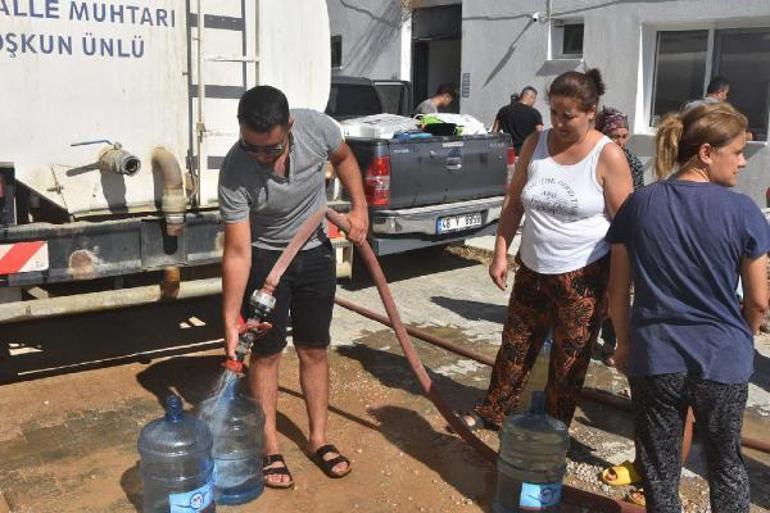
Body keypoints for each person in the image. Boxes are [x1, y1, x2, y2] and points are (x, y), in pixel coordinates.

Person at [607, 102, 769, 513]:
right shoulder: (744, 211)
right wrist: (745, 334)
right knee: (726, 465)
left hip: (656, 355)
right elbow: (760, 300)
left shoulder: (639, 205)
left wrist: (623, 341)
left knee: (660, 471)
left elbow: (617, 289)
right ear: (706, 153)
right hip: (721, 360)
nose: (742, 163)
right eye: (737, 153)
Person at [458, 68, 633, 431]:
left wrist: (620, 290)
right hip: (533, 268)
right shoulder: (534, 145)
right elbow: (514, 202)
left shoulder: (608, 156)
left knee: (569, 363)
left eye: (567, 115)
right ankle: (494, 410)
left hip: (584, 276)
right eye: (554, 112)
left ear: (590, 111)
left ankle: (554, 430)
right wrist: (500, 251)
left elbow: (626, 229)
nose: (559, 122)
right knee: (515, 346)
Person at [218, 85, 369, 488]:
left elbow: (345, 159)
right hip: (266, 260)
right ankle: (270, 447)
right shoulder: (235, 170)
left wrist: (360, 207)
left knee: (314, 349)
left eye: (271, 149)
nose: (262, 158)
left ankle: (318, 438)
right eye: (251, 147)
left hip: (315, 251)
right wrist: (231, 320)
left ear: (290, 127)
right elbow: (236, 251)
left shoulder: (317, 128)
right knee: (266, 356)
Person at [492, 86, 544, 153]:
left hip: (507, 154)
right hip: (526, 154)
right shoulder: (535, 113)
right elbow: (540, 135)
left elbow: (494, 133)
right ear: (531, 97)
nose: (534, 102)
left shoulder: (503, 110)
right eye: (534, 99)